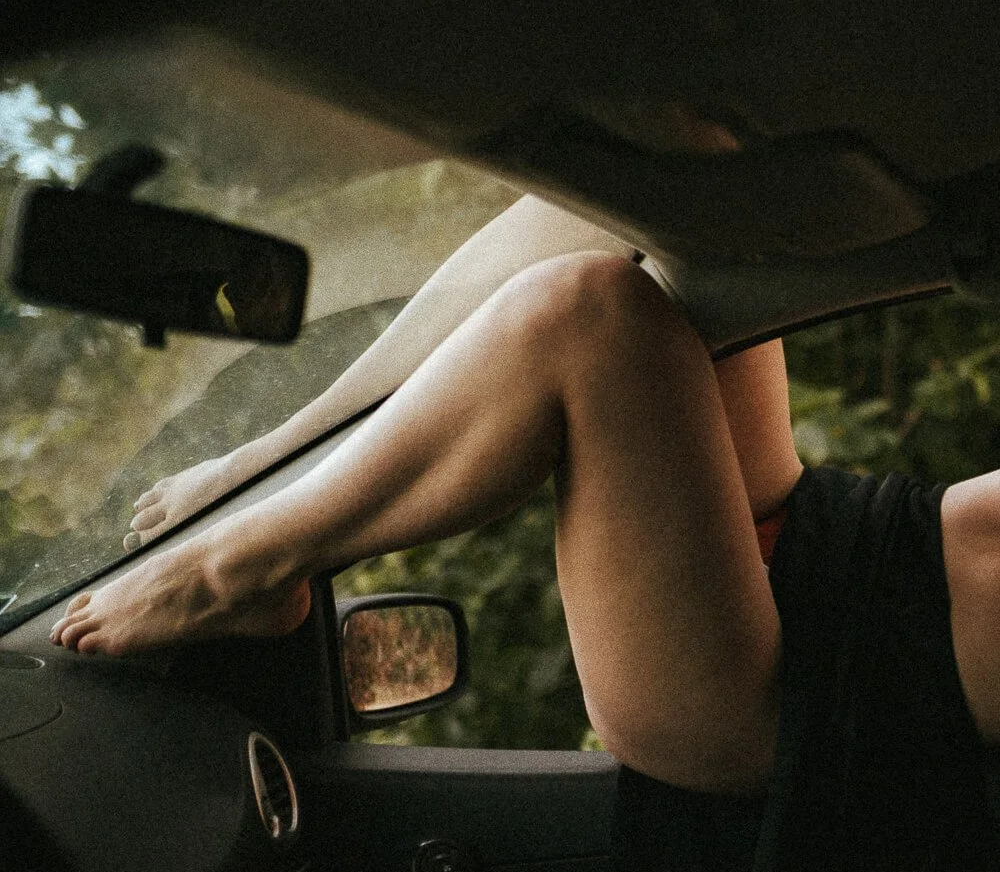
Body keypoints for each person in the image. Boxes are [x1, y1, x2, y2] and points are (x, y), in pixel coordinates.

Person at [48, 189, 1000, 804]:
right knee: (664, 199)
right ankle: (275, 467)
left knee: (585, 318)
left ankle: (245, 558)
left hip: (830, 697)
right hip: (857, 542)